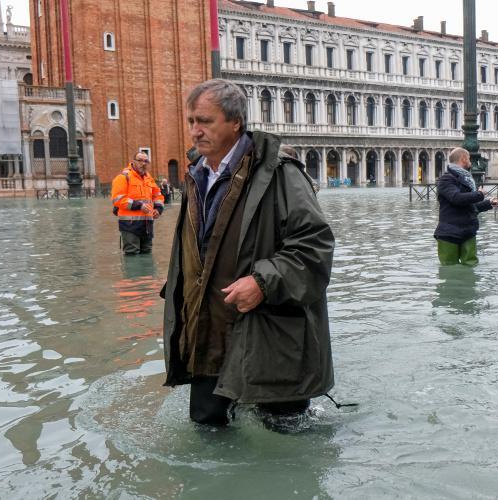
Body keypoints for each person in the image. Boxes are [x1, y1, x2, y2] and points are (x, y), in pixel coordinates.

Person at [160, 79, 336, 429]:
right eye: (191, 121)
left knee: (285, 441)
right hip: (206, 333)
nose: (195, 131)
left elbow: (315, 246)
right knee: (208, 432)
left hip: (269, 336)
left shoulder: (281, 174)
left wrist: (262, 282)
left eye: (205, 121)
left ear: (235, 122)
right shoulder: (196, 175)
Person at [434, 147, 498, 265]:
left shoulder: (467, 179)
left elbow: (470, 207)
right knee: (449, 269)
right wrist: (479, 194)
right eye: (469, 158)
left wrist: (489, 203)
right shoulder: (446, 180)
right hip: (449, 233)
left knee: (471, 265)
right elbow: (457, 198)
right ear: (463, 159)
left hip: (468, 231)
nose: (470, 161)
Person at [111, 152, 164, 255]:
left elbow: (158, 195)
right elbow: (118, 199)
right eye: (140, 160)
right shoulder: (123, 177)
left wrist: (158, 209)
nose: (143, 163)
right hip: (130, 225)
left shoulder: (149, 178)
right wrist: (139, 205)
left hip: (147, 225)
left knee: (147, 253)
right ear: (133, 162)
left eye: (146, 161)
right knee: (132, 255)